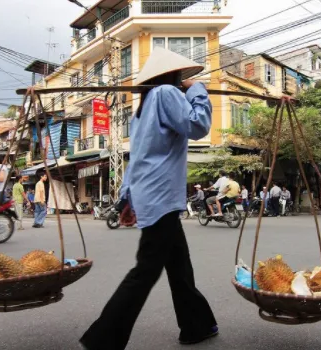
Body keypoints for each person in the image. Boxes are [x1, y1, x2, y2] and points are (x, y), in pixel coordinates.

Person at [80, 47, 217, 350]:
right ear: (171, 75)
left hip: (153, 195)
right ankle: (102, 338)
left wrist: (127, 199)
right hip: (160, 196)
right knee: (146, 270)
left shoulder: (143, 108)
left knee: (180, 266)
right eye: (182, 76)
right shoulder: (167, 93)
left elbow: (139, 157)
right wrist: (198, 91)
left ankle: (197, 325)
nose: (184, 80)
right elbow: (198, 126)